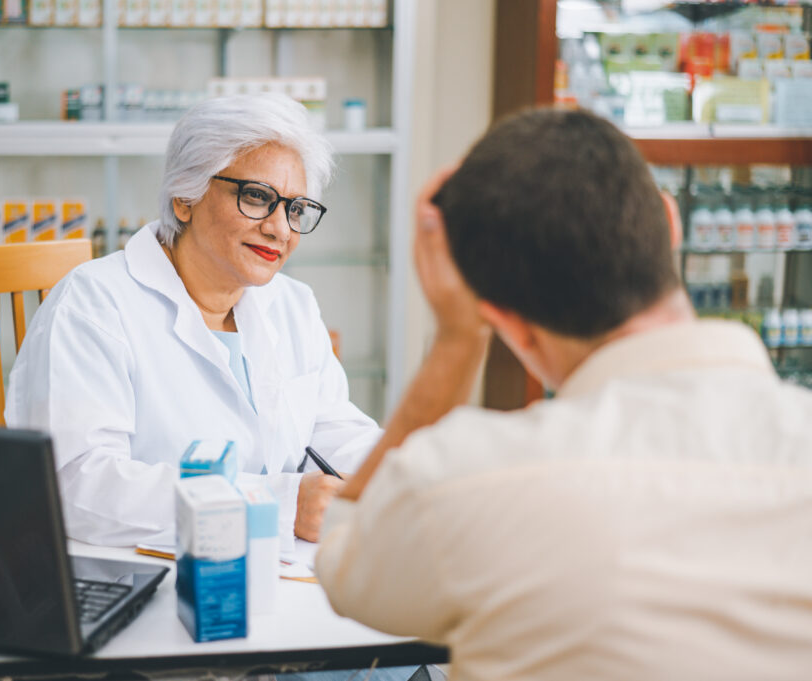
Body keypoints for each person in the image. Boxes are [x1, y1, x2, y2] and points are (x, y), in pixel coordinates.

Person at [316, 108, 812, 680]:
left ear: (500, 318)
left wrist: (456, 340)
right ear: (670, 225)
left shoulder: (465, 480)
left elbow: (348, 564)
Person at [5, 94, 380, 550]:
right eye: (258, 197)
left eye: (295, 208)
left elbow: (332, 428)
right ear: (185, 197)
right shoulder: (93, 304)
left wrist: (403, 479)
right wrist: (276, 504)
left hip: (271, 565)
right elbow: (78, 486)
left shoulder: (292, 304)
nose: (281, 229)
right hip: (144, 571)